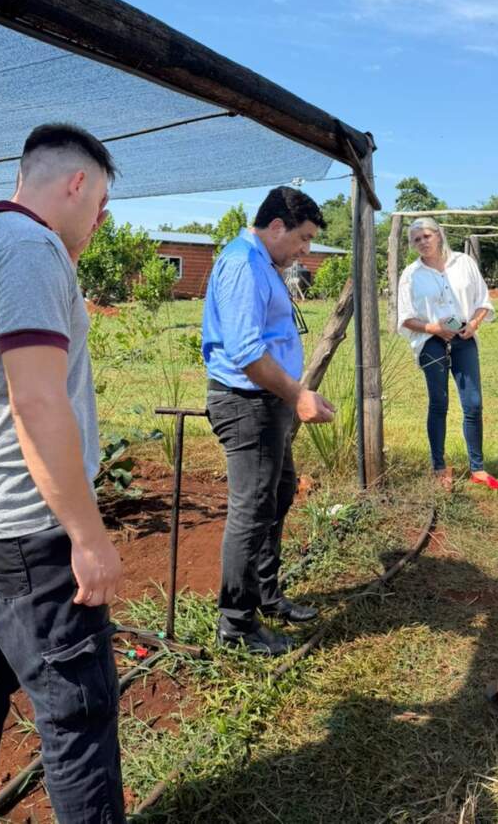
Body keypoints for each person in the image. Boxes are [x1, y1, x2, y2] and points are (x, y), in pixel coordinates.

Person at [0, 123, 125, 824]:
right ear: (75, 182)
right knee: (79, 714)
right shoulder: (30, 246)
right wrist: (88, 535)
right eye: (99, 201)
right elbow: (36, 400)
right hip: (27, 529)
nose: (100, 221)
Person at [203, 186, 335, 657]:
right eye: (302, 238)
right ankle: (236, 624)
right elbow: (246, 353)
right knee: (251, 509)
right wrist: (298, 394)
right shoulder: (242, 264)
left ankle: (265, 594)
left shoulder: (264, 263)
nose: (305, 250)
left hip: (266, 403)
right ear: (276, 227)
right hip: (246, 404)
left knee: (277, 494)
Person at [397, 217, 498, 492]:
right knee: (439, 403)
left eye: (427, 235)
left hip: (463, 337)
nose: (423, 242)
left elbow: (483, 302)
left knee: (473, 403)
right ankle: (438, 466)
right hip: (431, 340)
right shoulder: (411, 274)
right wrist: (434, 328)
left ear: (439, 235)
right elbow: (405, 317)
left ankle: (477, 467)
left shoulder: (464, 263)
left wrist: (475, 324)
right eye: (416, 239)